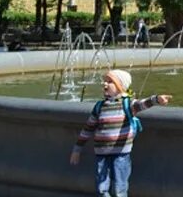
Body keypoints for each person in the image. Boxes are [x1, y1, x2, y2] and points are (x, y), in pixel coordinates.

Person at [70, 68, 172, 197]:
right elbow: (88, 129)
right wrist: (77, 149)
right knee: (101, 188)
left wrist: (157, 99)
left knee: (120, 188)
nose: (105, 84)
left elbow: (143, 103)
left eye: (110, 81)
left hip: (121, 154)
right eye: (105, 81)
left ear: (120, 86)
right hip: (101, 154)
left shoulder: (127, 103)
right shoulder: (99, 106)